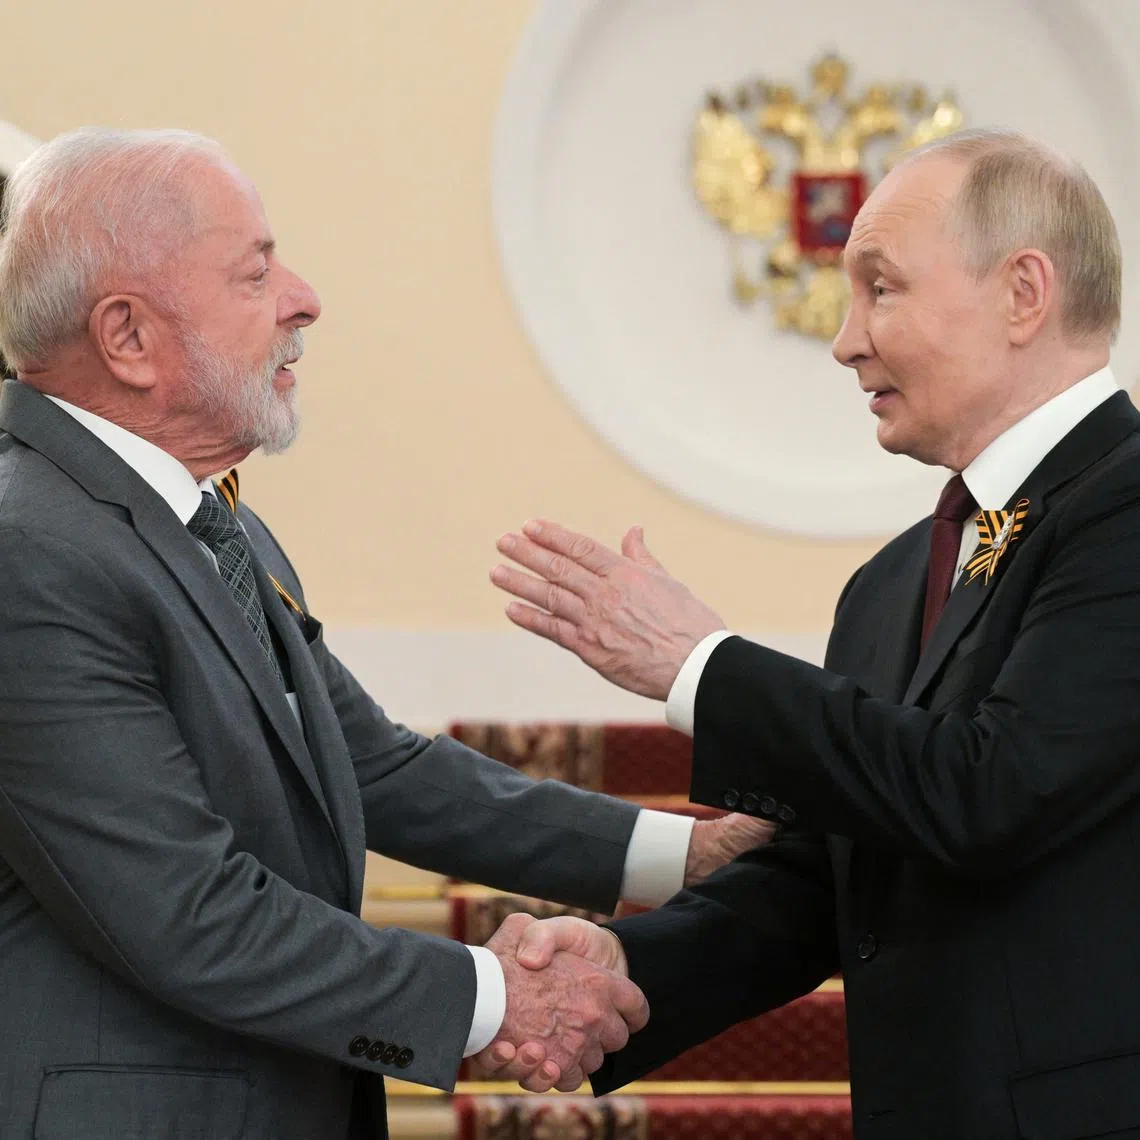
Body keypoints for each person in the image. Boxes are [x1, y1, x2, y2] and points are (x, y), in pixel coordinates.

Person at [0, 127, 774, 1140]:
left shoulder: (215, 524)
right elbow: (185, 913)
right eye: (255, 272)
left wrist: (689, 854)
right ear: (128, 339)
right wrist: (497, 999)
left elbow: (369, 767)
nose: (304, 298)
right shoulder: (28, 551)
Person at [484, 128, 1140, 1137]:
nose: (845, 340)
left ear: (1024, 292)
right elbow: (828, 877)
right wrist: (624, 968)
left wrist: (701, 666)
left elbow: (989, 792)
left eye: (881, 289)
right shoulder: (887, 586)